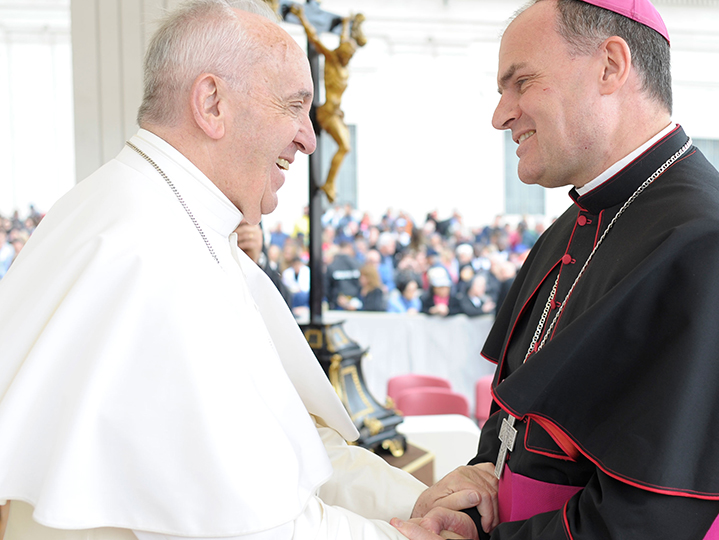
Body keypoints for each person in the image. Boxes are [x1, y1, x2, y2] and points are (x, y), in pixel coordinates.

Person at [0, 1, 456, 538]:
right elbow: (249, 524)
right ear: (212, 104)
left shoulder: (164, 216)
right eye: (294, 106)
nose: (310, 138)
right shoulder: (152, 257)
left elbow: (285, 446)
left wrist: (418, 500)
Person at [394, 0, 719, 538]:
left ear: (610, 66)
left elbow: (654, 521)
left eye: (522, 82)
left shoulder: (714, 248)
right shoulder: (576, 224)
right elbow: (520, 420)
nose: (500, 115)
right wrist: (476, 493)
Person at [292, 5, 366, 203]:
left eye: (350, 56)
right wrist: (302, 17)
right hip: (326, 112)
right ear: (341, 54)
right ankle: (329, 183)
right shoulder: (332, 58)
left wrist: (346, 24)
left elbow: (343, 40)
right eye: (346, 55)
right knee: (344, 146)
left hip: (336, 111)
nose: (348, 58)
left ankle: (330, 183)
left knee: (346, 147)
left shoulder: (342, 64)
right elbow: (314, 39)